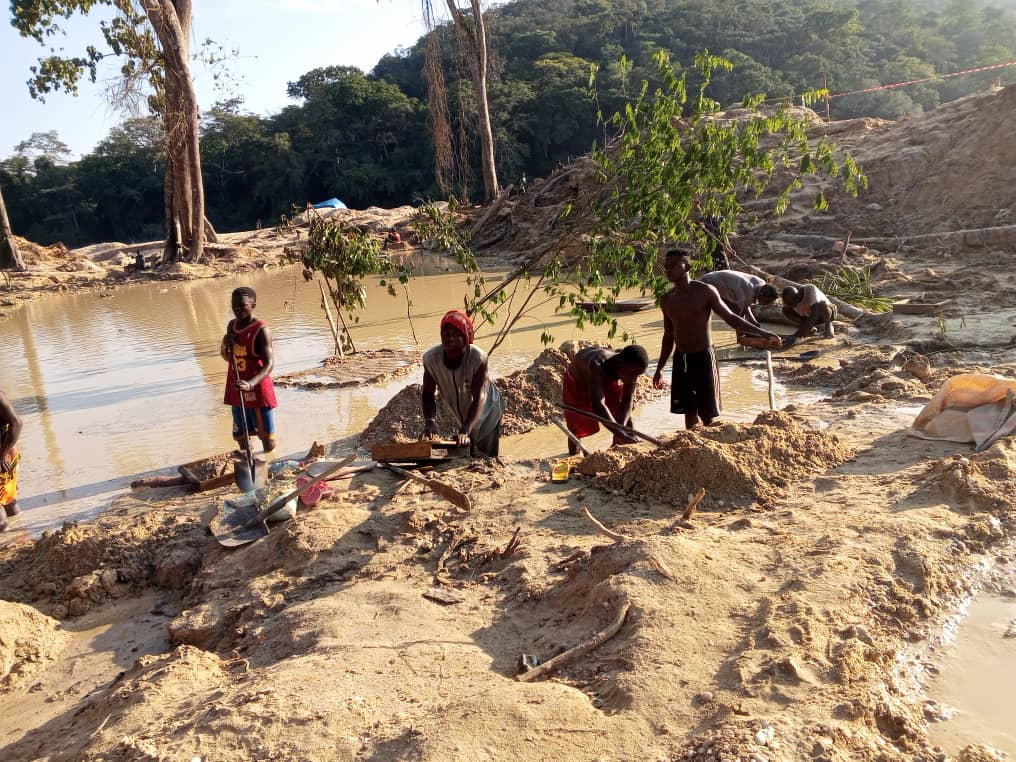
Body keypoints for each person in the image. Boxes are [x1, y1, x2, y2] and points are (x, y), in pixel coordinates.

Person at [653, 249, 783, 429]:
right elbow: (668, 335)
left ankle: (710, 441)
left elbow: (731, 318)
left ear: (687, 267)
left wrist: (764, 333)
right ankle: (693, 446)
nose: (669, 270)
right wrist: (659, 368)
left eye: (674, 265)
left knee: (708, 413)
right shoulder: (667, 299)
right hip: (681, 358)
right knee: (689, 410)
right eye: (667, 266)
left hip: (703, 356)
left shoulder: (705, 291)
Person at [422, 310, 504, 458]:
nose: (450, 339)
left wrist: (465, 431)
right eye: (446, 335)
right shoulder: (431, 359)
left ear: (465, 337)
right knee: (466, 450)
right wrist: (430, 421)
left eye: (456, 335)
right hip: (464, 410)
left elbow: (479, 397)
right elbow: (428, 393)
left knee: (485, 456)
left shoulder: (477, 358)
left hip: (488, 408)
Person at [220, 286, 278, 456]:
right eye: (234, 305)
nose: (237, 309)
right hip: (236, 388)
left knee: (266, 436)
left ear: (253, 305)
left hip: (256, 390)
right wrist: (225, 342)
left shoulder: (261, 330)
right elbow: (226, 357)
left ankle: (270, 462)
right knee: (241, 436)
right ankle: (249, 463)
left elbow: (269, 364)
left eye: (242, 305)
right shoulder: (232, 326)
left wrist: (250, 384)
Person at [562, 345, 649, 455]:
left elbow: (627, 400)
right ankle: (573, 457)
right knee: (576, 426)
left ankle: (618, 451)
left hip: (605, 381)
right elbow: (598, 406)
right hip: (578, 383)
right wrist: (621, 434)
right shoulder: (597, 364)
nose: (634, 379)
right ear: (620, 363)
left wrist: (620, 430)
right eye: (632, 374)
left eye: (637, 375)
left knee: (626, 418)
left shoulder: (628, 367)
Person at [698, 270, 780, 327]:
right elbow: (738, 316)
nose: (766, 304)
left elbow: (746, 307)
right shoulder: (748, 293)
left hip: (713, 277)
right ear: (762, 295)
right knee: (704, 315)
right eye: (767, 301)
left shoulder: (761, 283)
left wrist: (755, 324)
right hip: (707, 283)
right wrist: (751, 330)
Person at [0, 390, 23, 531]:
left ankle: (4, 543)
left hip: (4, 454)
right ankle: (20, 535)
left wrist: (2, 455)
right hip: (6, 454)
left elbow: (17, 423)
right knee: (9, 498)